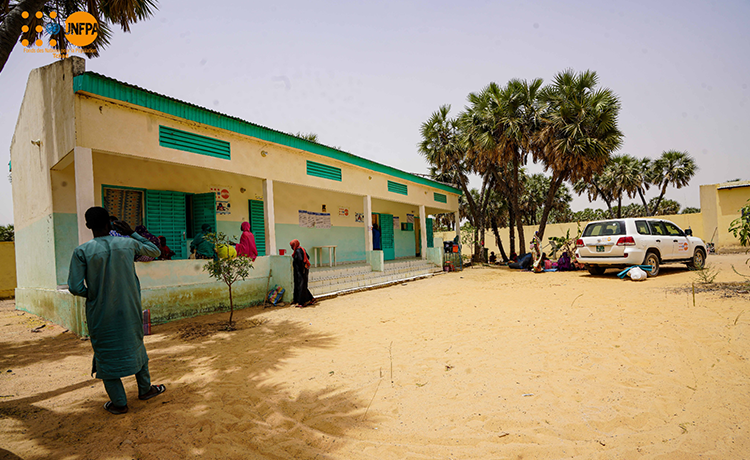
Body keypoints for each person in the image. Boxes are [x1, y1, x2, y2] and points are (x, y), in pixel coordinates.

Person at [67, 207, 166, 415]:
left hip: (100, 312)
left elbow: (75, 287)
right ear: (110, 223)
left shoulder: (82, 251)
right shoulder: (128, 243)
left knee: (105, 352)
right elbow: (155, 251)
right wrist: (131, 231)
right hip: (129, 307)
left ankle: (119, 403)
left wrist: (94, 294)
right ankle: (146, 390)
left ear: (88, 226)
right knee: (136, 344)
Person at [290, 239, 315, 307]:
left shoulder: (298, 251)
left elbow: (301, 260)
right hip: (303, 270)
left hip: (301, 271)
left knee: (301, 286)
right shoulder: (302, 249)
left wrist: (301, 267)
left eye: (292, 246)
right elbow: (308, 257)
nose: (291, 247)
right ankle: (311, 299)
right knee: (302, 286)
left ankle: (302, 302)